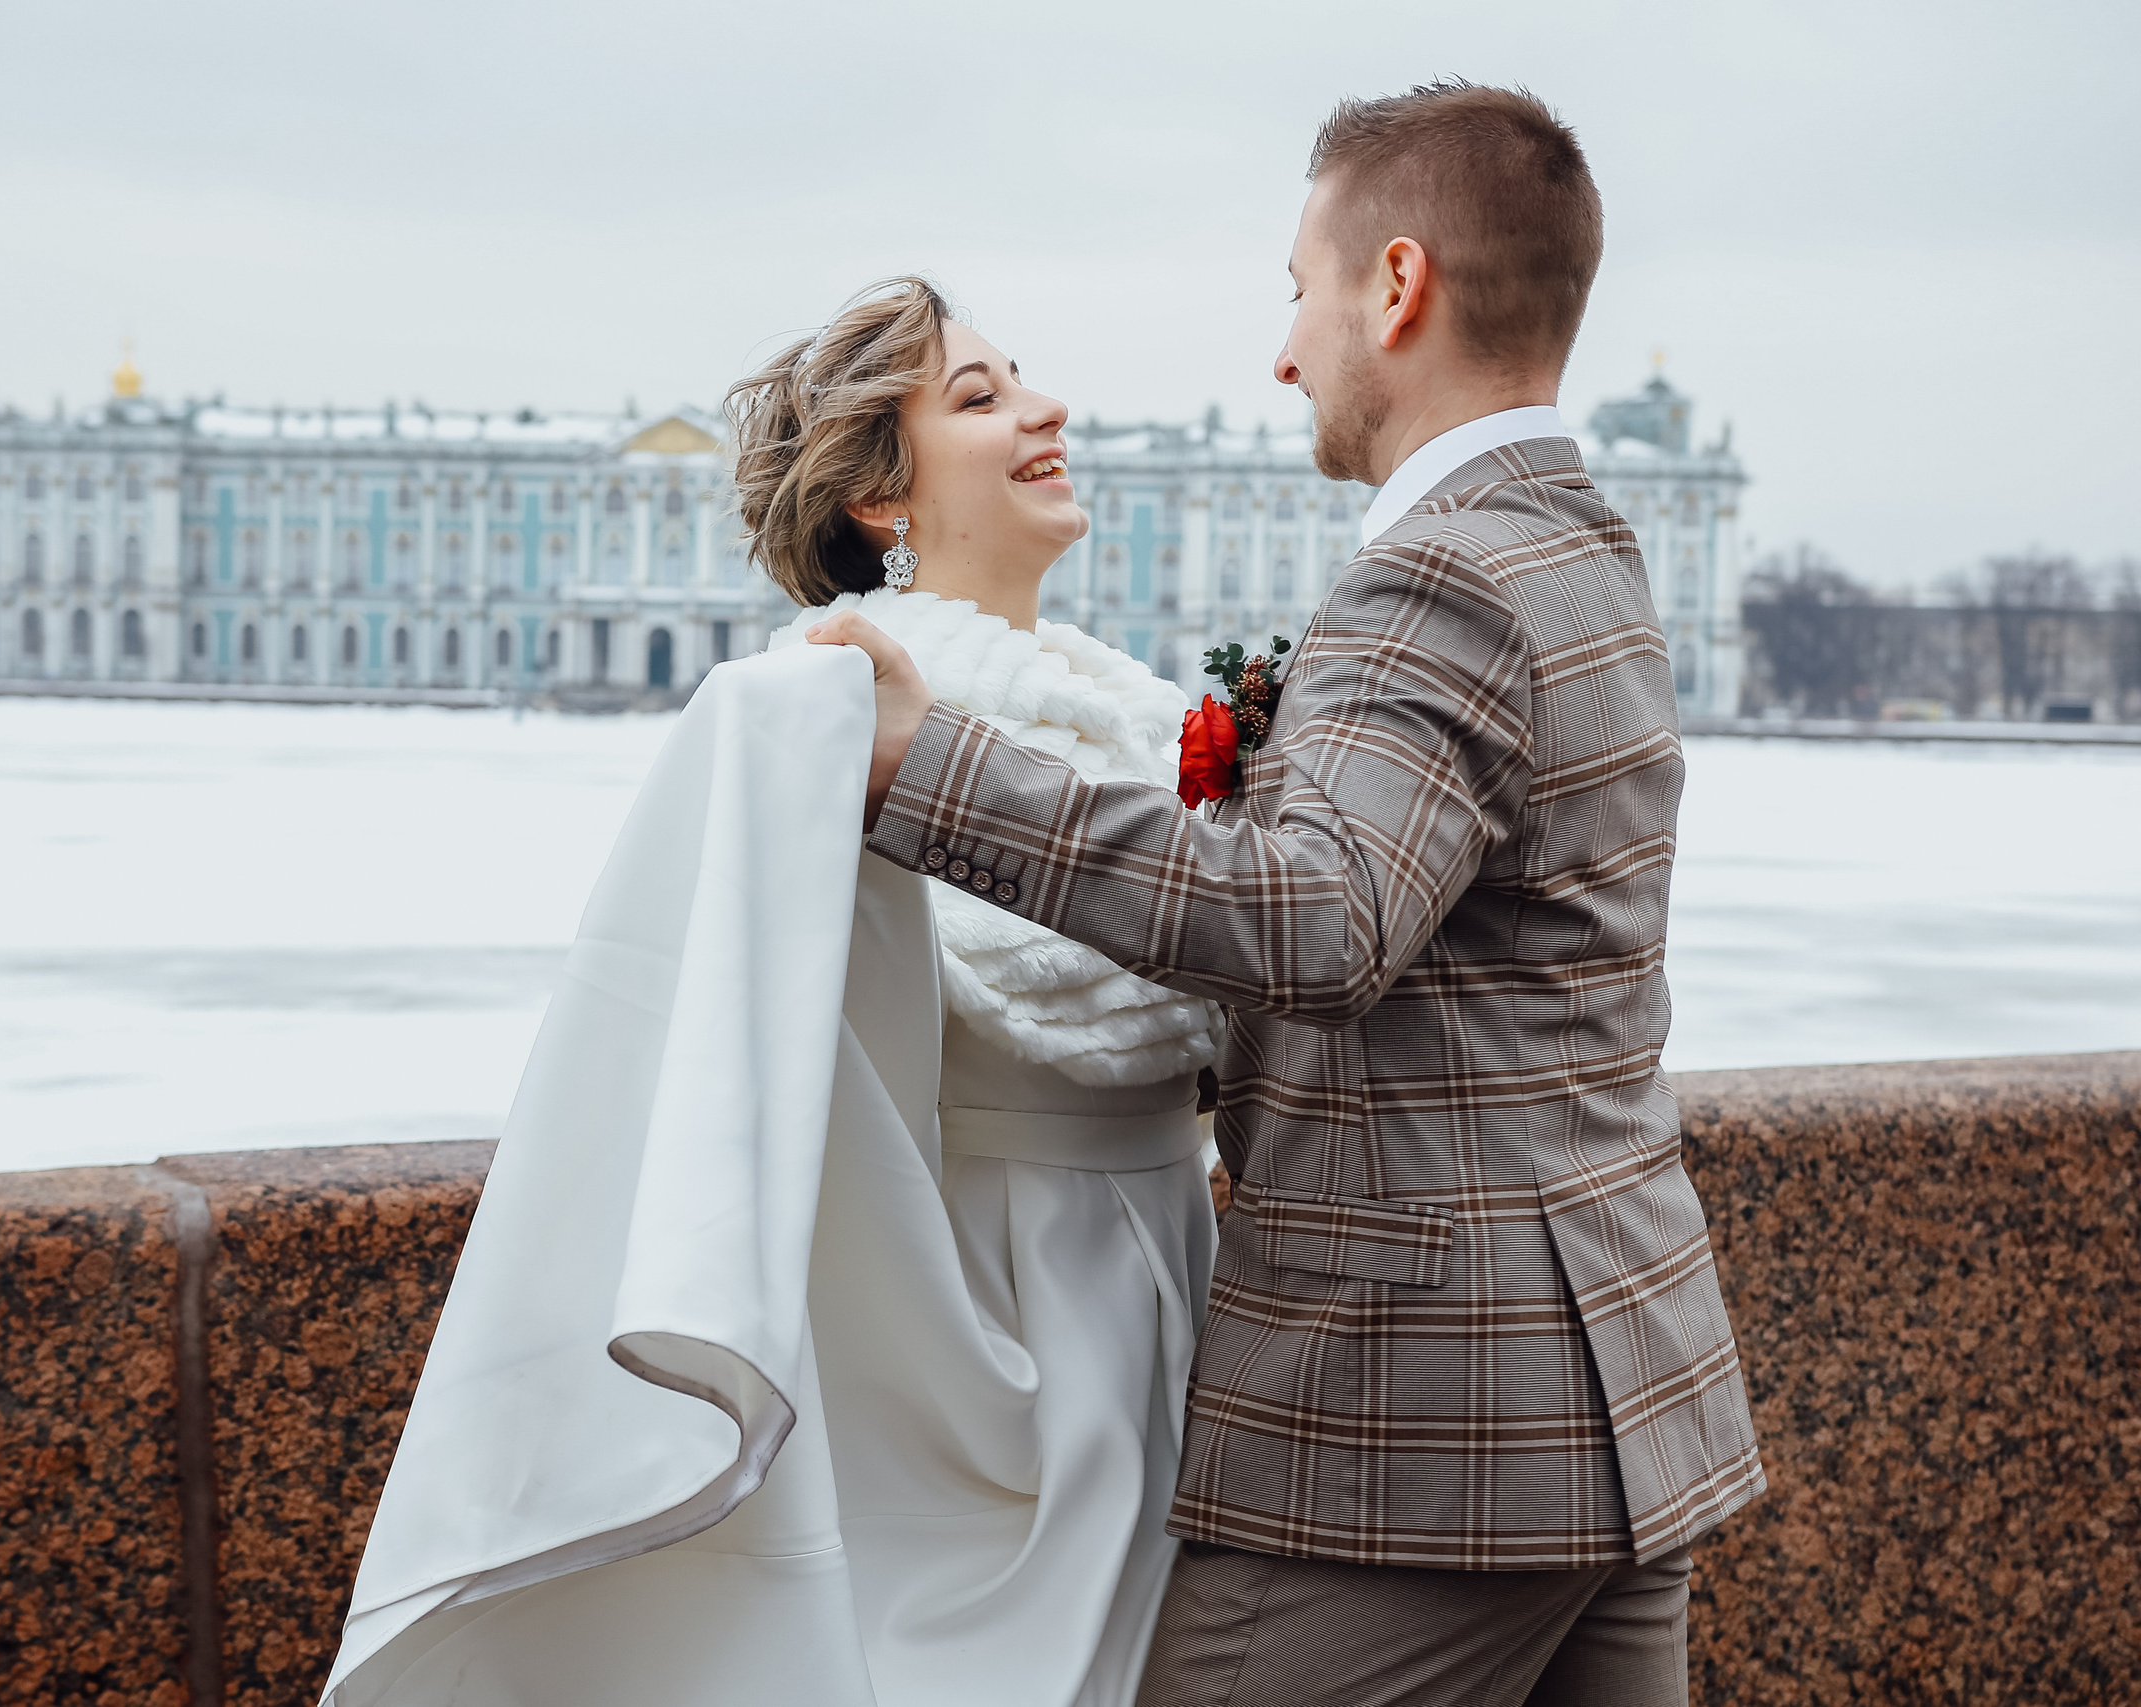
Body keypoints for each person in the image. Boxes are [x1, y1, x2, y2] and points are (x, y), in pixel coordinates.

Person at [811, 83, 1765, 1707]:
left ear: (1394, 289)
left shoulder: (1439, 571)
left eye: (1299, 292)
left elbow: (1316, 923)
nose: (1283, 352)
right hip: (1622, 1388)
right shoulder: (1580, 544)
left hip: (1416, 1436)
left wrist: (926, 769)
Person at [317, 277, 1224, 1707]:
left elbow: (1227, 949)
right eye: (978, 398)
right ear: (881, 496)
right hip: (990, 1317)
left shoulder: (1147, 722)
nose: (1046, 410)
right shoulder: (829, 716)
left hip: (1175, 1284)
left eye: (1024, 380)